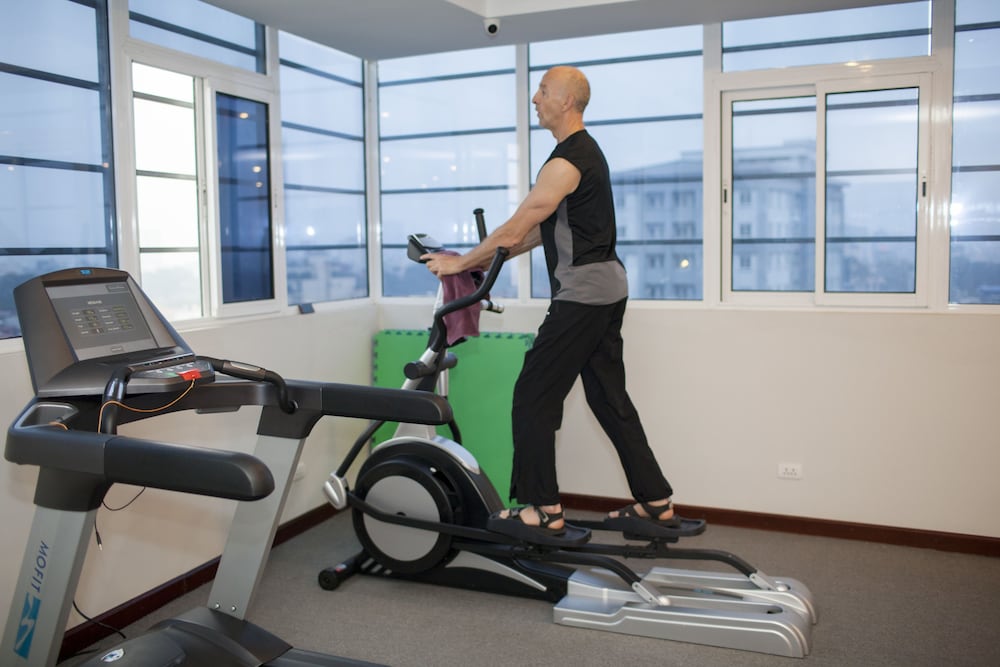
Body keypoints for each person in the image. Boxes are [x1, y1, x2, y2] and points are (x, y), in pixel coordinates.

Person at [421, 65, 675, 542]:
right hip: (607, 289)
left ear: (566, 101)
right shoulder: (584, 155)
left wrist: (459, 265)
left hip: (583, 294)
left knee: (533, 395)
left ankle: (543, 509)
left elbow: (515, 227)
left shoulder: (566, 161)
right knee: (608, 398)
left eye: (542, 91)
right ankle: (656, 501)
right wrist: (479, 259)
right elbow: (539, 233)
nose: (535, 99)